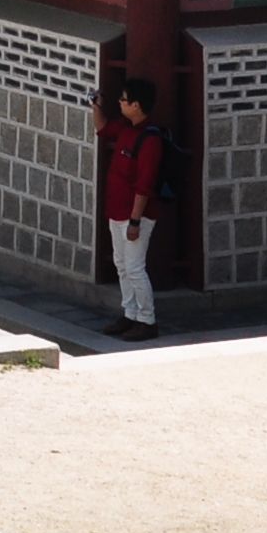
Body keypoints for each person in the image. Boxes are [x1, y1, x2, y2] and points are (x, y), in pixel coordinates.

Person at [98, 72, 167, 341]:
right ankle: (129, 314)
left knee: (135, 267)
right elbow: (102, 129)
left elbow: (144, 185)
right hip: (116, 212)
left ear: (136, 105)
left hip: (135, 216)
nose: (120, 103)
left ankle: (147, 320)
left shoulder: (150, 140)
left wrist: (136, 221)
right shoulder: (126, 128)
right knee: (121, 264)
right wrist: (95, 106)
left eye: (124, 100)